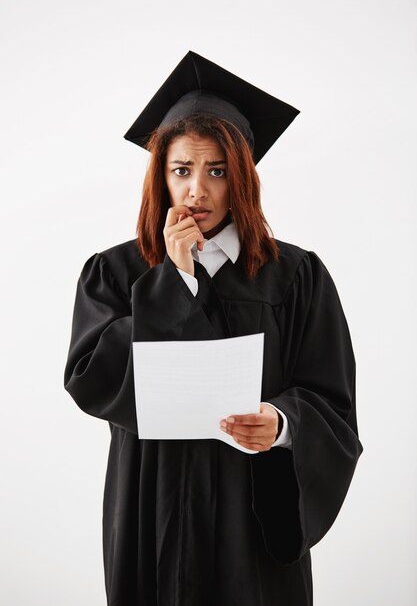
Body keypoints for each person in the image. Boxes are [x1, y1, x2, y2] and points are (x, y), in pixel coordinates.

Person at [63, 50, 363, 606]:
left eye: (217, 170)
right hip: (149, 508)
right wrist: (172, 282)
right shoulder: (116, 271)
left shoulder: (295, 277)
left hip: (250, 512)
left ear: (242, 178)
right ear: (162, 176)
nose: (197, 190)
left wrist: (282, 423)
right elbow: (91, 378)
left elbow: (331, 399)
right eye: (182, 170)